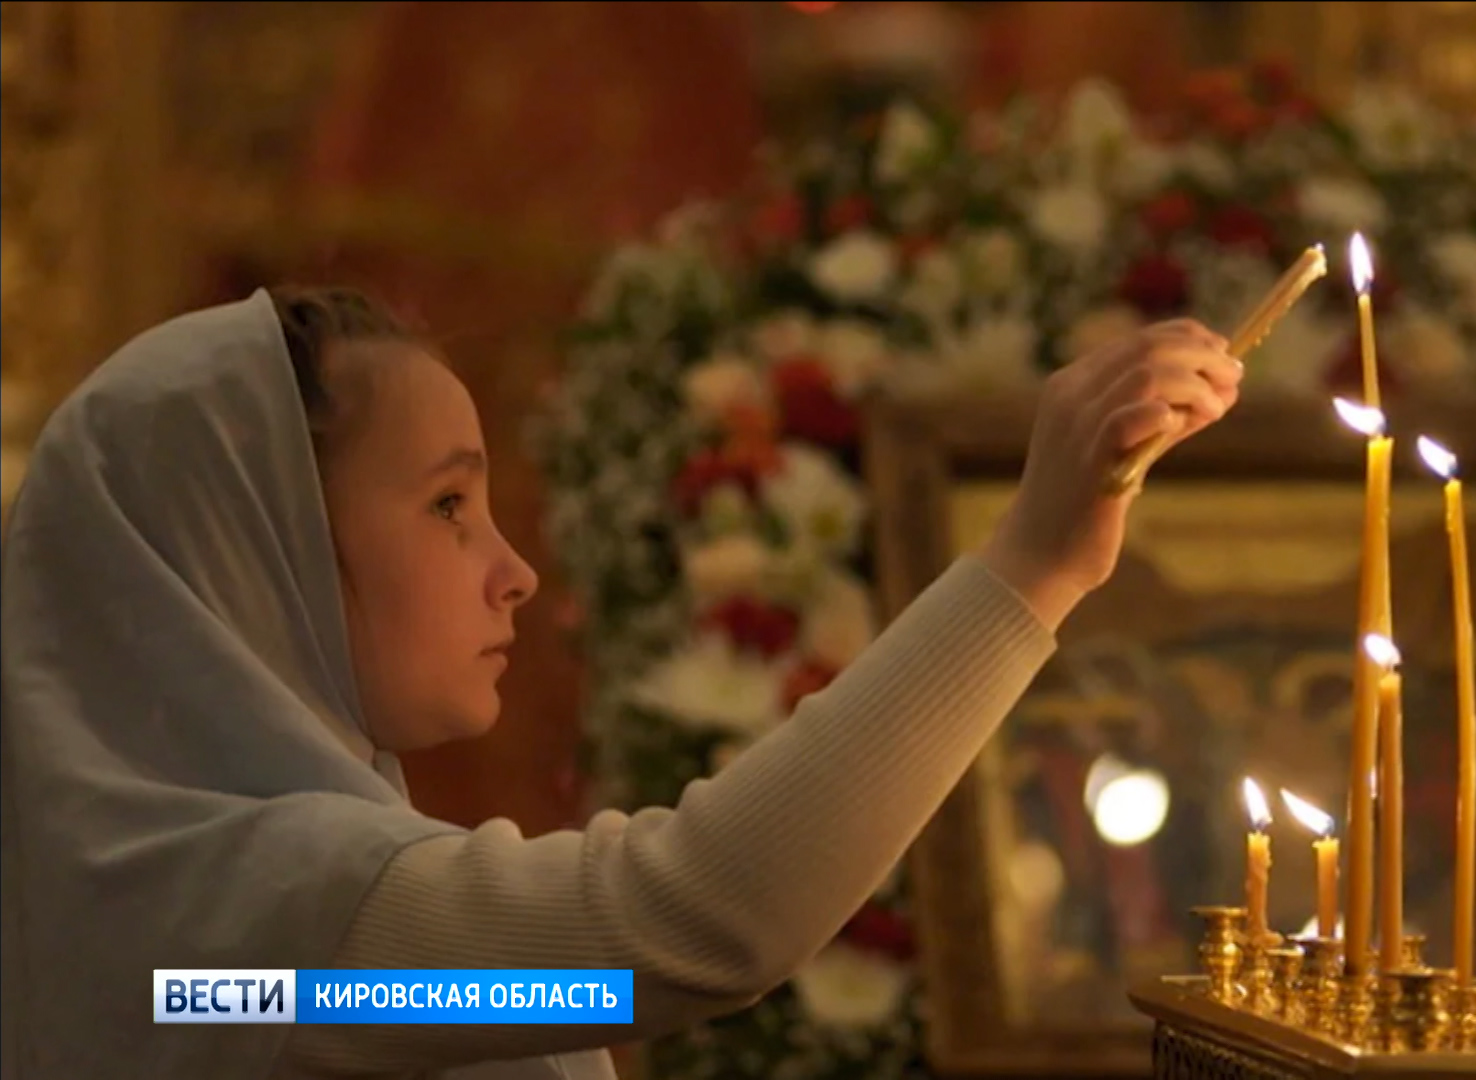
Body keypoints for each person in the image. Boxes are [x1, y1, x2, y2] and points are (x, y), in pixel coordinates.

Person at [0, 285, 1241, 1079]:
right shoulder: (247, 941)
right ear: (251, 550)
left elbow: (593, 978)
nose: (516, 572)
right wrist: (1032, 565)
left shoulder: (196, 899)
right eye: (447, 505)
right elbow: (699, 918)